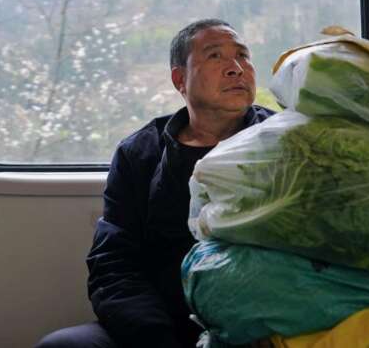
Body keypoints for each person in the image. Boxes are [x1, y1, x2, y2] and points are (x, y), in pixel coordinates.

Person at [37, 19, 275, 348]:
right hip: (160, 323)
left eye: (243, 55)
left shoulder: (282, 142)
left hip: (262, 320)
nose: (236, 67)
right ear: (180, 79)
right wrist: (155, 337)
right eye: (215, 56)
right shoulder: (139, 153)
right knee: (63, 345)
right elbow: (113, 264)